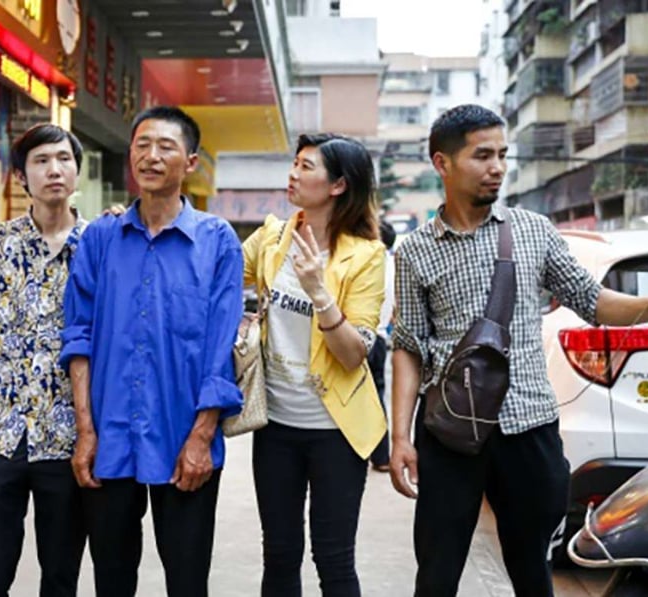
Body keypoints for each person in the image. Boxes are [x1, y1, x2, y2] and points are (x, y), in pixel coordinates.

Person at [388, 104, 648, 597]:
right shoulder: (414, 250)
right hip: (449, 431)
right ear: (442, 163)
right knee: (436, 572)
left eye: (502, 155)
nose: (496, 167)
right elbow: (407, 346)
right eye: (481, 155)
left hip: (528, 429)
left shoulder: (533, 230)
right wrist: (400, 437)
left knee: (534, 572)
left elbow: (592, 301)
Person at [59, 105, 244, 597]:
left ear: (191, 162)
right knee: (111, 580)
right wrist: (85, 431)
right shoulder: (100, 237)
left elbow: (220, 347)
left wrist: (202, 436)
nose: (151, 156)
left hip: (183, 435)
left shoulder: (217, 242)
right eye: (142, 145)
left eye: (165, 146)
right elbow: (78, 337)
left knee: (187, 582)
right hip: (110, 436)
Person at [242, 133, 387, 596]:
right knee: (279, 555)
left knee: (333, 558)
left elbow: (353, 353)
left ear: (339, 185)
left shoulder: (366, 256)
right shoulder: (272, 236)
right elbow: (212, 267)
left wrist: (319, 291)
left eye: (307, 166)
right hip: (277, 428)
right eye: (295, 163)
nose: (293, 173)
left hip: (338, 434)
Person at [0, 124, 88, 596]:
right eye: (40, 161)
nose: (54, 169)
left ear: (77, 170)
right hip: (0, 433)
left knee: (60, 573)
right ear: (21, 176)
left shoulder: (101, 245)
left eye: (63, 159)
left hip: (69, 438)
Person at [367, 219, 396, 472]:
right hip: (380, 337)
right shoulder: (394, 266)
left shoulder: (370, 262)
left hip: (363, 336)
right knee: (377, 397)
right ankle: (381, 456)